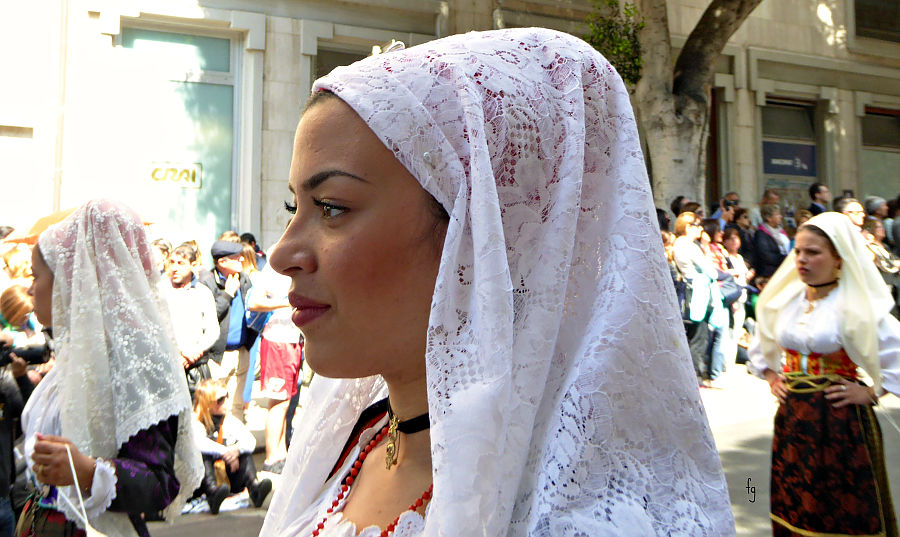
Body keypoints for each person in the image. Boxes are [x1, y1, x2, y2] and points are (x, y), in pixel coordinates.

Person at [260, 28, 733, 537]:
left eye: (332, 207)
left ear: (483, 236)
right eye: (295, 206)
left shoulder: (587, 514)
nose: (283, 255)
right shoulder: (353, 443)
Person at [20, 199, 202, 537]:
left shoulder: (136, 359)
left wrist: (88, 472)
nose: (30, 288)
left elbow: (159, 482)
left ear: (70, 280)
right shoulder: (78, 354)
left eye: (36, 276)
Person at [749, 212, 899, 537]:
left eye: (813, 252)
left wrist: (872, 391)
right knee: (796, 501)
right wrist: (772, 376)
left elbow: (896, 354)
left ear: (839, 259)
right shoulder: (785, 300)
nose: (802, 260)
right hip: (793, 420)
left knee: (838, 507)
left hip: (840, 422)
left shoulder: (856, 305)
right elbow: (763, 342)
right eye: (799, 251)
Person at [246, 262, 303, 474]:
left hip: (292, 339)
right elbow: (254, 302)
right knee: (277, 401)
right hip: (278, 339)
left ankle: (281, 453)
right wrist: (287, 303)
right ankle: (272, 457)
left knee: (285, 401)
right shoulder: (273, 268)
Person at [192, 380, 272, 514]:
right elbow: (199, 443)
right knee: (203, 455)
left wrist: (236, 451)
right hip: (201, 482)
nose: (226, 401)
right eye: (220, 400)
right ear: (207, 404)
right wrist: (226, 452)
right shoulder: (196, 423)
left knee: (244, 453)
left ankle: (255, 489)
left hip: (228, 476)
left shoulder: (229, 421)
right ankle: (212, 493)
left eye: (227, 396)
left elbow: (250, 441)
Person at [200, 240, 259, 423]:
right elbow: (208, 317)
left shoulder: (244, 279)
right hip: (218, 356)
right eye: (235, 257)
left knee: (236, 406)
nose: (242, 259)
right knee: (215, 405)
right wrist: (227, 294)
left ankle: (235, 445)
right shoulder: (207, 284)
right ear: (222, 262)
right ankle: (216, 444)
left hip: (241, 351)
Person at [163, 243, 220, 400]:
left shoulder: (203, 293)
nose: (174, 268)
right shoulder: (161, 290)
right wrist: (179, 351)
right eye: (172, 262)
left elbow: (212, 330)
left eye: (180, 263)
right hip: (168, 365)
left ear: (193, 265)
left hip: (195, 367)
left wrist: (193, 352)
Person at [753, 203, 789, 278]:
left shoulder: (781, 231)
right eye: (777, 215)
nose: (780, 217)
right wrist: (784, 258)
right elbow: (766, 255)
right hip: (770, 272)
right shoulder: (761, 234)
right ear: (769, 218)